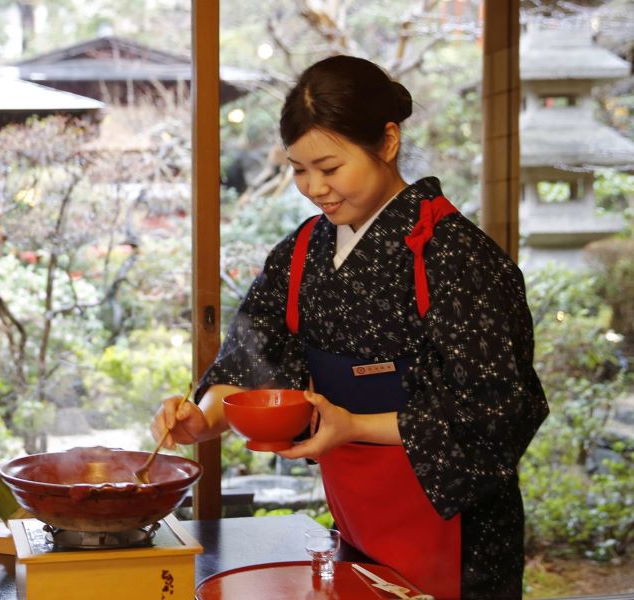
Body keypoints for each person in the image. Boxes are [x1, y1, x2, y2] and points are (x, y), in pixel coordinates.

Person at [150, 55, 548, 600]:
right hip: (357, 525)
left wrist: (355, 425)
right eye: (298, 169)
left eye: (330, 168)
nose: (314, 187)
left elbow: (497, 410)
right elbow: (250, 365)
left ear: (387, 142)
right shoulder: (302, 253)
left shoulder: (457, 256)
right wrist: (202, 420)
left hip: (457, 534)